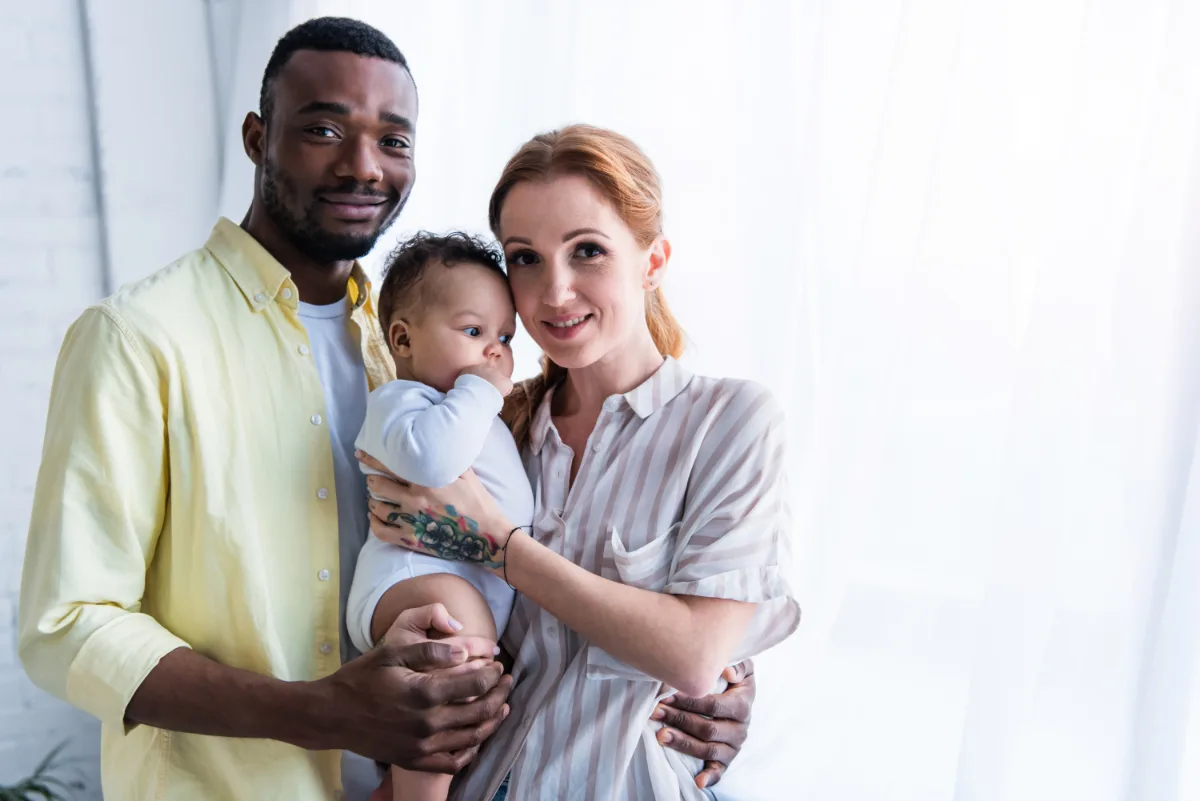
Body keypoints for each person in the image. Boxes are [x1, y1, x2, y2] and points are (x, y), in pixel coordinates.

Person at [16, 16, 756, 801]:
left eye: (394, 140)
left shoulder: (410, 345)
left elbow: (529, 586)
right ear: (256, 137)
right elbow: (68, 627)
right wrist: (322, 712)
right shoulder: (139, 338)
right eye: (324, 128)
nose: (362, 165)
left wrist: (705, 681)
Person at [361, 124, 801, 800]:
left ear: (652, 261)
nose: (555, 291)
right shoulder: (492, 431)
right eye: (526, 258)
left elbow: (694, 654)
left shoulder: (730, 424)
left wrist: (503, 545)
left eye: (587, 251)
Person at [345, 232, 534, 801]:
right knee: (454, 646)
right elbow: (433, 461)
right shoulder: (403, 403)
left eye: (504, 336)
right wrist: (481, 390)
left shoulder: (473, 411)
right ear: (402, 339)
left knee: (462, 700)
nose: (494, 352)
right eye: (474, 332)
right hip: (411, 584)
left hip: (461, 590)